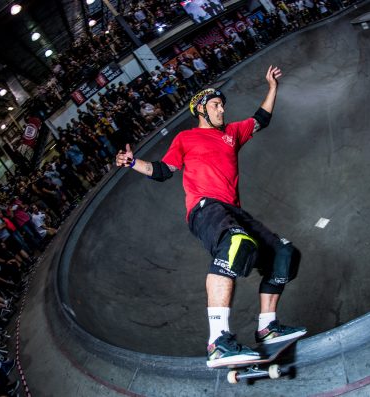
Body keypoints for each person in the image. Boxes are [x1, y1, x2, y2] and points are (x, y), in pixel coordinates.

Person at [116, 66, 306, 368]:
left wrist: (272, 87)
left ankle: (267, 326)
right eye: (216, 105)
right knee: (235, 243)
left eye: (222, 105)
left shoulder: (232, 133)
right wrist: (133, 163)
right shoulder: (186, 138)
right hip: (204, 208)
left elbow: (261, 120)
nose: (222, 110)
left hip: (235, 211)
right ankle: (218, 341)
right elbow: (162, 171)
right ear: (202, 110)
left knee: (283, 254)